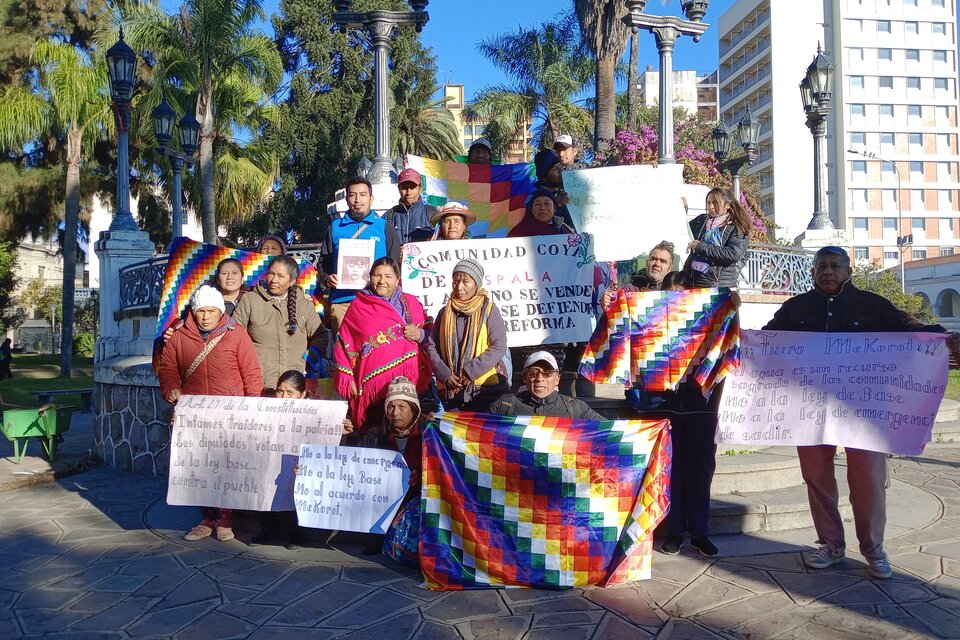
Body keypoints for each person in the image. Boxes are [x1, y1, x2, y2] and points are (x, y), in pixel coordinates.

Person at [764, 246, 957, 579]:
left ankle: (873, 549)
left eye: (834, 266)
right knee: (817, 478)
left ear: (848, 271)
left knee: (867, 478)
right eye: (821, 266)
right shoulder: (795, 309)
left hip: (864, 410)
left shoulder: (872, 306)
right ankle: (830, 544)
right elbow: (766, 340)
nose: (827, 271)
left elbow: (910, 328)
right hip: (810, 409)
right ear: (812, 272)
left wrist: (945, 338)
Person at [158, 285, 263, 543]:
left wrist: (251, 406)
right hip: (196, 414)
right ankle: (208, 518)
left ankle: (226, 518)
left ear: (220, 312)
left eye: (211, 311)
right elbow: (168, 369)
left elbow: (251, 372)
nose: (205, 316)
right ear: (194, 312)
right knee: (200, 466)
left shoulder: (236, 334)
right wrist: (171, 388)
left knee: (227, 465)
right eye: (201, 311)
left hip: (230, 412)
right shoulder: (178, 337)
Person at [333, 257, 431, 427]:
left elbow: (431, 333)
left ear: (397, 280)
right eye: (377, 275)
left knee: (412, 434)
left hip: (412, 382)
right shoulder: (359, 306)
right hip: (373, 388)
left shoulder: (411, 303)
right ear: (370, 277)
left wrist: (420, 334)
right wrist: (347, 376)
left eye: (388, 276)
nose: (382, 281)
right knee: (376, 434)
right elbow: (343, 342)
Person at [232, 255, 326, 391]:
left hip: (294, 386)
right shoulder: (250, 300)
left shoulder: (304, 304)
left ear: (292, 281)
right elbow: (234, 337)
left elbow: (321, 335)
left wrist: (308, 359)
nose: (274, 280)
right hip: (259, 382)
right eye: (271, 274)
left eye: (280, 276)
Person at [321, 177, 401, 334]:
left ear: (371, 198)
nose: (357, 200)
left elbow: (396, 266)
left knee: (376, 350)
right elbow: (323, 264)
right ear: (346, 199)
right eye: (352, 195)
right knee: (344, 353)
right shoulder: (335, 227)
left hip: (377, 302)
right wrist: (328, 278)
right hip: (343, 302)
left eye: (363, 194)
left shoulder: (384, 227)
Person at [426, 258, 508, 410]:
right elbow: (432, 346)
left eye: (466, 281)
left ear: (476, 284)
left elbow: (498, 346)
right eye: (456, 281)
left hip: (484, 390)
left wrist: (469, 372)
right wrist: (445, 374)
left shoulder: (489, 310)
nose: (459, 287)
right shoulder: (444, 313)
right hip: (452, 390)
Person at [489, 351, 604, 419]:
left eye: (547, 373)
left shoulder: (576, 408)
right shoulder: (503, 406)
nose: (540, 378)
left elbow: (611, 432)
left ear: (557, 379)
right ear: (525, 377)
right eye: (533, 373)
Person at [683, 187, 750, 289]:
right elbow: (683, 230)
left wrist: (701, 247)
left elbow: (734, 254)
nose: (711, 207)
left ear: (728, 205)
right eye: (708, 203)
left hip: (718, 286)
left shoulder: (736, 227)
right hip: (693, 283)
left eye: (715, 203)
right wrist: (683, 211)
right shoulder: (701, 220)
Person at [388, 168, 436, 244]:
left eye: (412, 187)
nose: (408, 192)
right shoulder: (390, 215)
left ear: (420, 188)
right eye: (404, 187)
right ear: (399, 189)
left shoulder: (432, 214)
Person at [532, 148, 574, 230]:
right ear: (543, 176)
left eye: (560, 166)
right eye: (555, 169)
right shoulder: (533, 198)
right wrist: (554, 203)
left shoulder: (567, 191)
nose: (561, 170)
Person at [507, 189, 573, 238]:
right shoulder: (519, 231)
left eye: (547, 203)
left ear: (554, 208)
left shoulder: (563, 228)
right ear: (531, 209)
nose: (542, 208)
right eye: (537, 204)